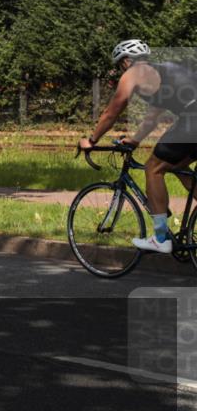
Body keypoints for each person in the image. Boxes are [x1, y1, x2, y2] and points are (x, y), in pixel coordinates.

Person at [79, 40, 197, 253]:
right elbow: (152, 118)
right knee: (175, 165)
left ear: (125, 62)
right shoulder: (162, 72)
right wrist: (135, 140)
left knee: (153, 168)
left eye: (119, 66)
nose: (120, 71)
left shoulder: (133, 73)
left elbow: (112, 111)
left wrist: (92, 140)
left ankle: (160, 238)